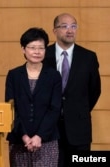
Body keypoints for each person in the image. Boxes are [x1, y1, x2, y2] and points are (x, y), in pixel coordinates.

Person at [43, 13, 101, 167]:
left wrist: (76, 110)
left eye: (73, 26)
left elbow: (94, 90)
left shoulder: (88, 57)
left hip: (79, 129)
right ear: (54, 30)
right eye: (64, 26)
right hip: (49, 129)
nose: (70, 30)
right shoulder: (43, 56)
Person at [5, 27, 62, 167]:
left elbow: (55, 109)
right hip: (19, 141)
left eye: (41, 48)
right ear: (23, 49)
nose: (37, 52)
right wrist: (24, 136)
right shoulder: (14, 75)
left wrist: (39, 136)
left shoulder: (54, 76)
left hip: (46, 140)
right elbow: (11, 108)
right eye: (32, 47)